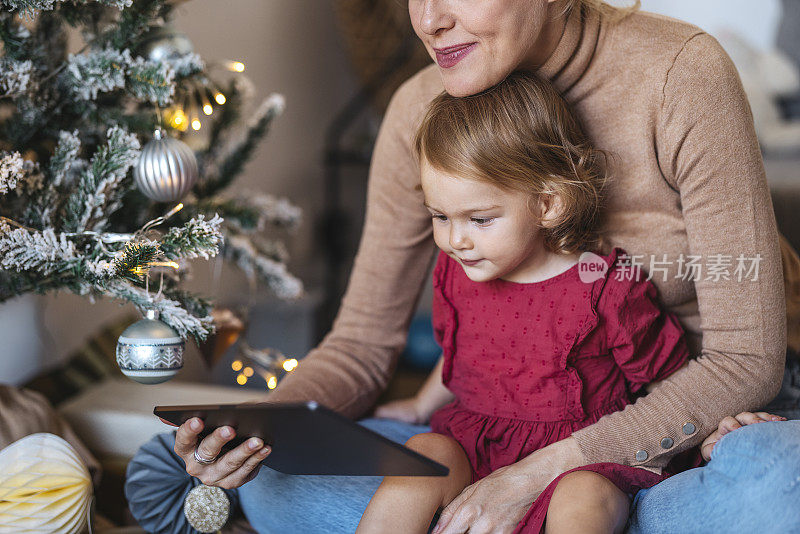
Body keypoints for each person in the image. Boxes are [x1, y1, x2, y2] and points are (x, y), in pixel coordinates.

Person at [152, 0, 800, 532]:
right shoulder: (419, 111)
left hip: (679, 437)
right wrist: (263, 431)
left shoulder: (678, 73)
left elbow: (744, 363)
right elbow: (359, 347)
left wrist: (537, 476)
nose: (428, 19)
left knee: (778, 485)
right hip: (491, 437)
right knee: (276, 481)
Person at [356, 70, 699, 534]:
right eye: (440, 216)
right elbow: (465, 355)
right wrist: (420, 404)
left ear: (548, 204)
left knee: (586, 496)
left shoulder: (606, 287)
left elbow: (669, 379)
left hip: (576, 458)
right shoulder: (457, 275)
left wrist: (709, 430)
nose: (455, 239)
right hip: (476, 443)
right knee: (423, 455)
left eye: (479, 219)